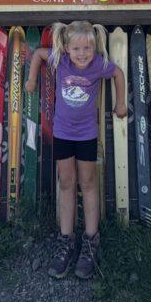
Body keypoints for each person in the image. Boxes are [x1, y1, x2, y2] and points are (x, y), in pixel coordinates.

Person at [25, 20, 126, 279]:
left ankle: (91, 241)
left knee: (89, 183)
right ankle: (66, 241)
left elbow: (118, 74)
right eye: (77, 49)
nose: (83, 54)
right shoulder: (60, 59)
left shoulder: (98, 66)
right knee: (67, 183)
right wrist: (32, 80)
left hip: (86, 135)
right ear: (67, 48)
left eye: (87, 49)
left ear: (94, 48)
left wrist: (121, 104)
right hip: (62, 133)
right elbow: (37, 54)